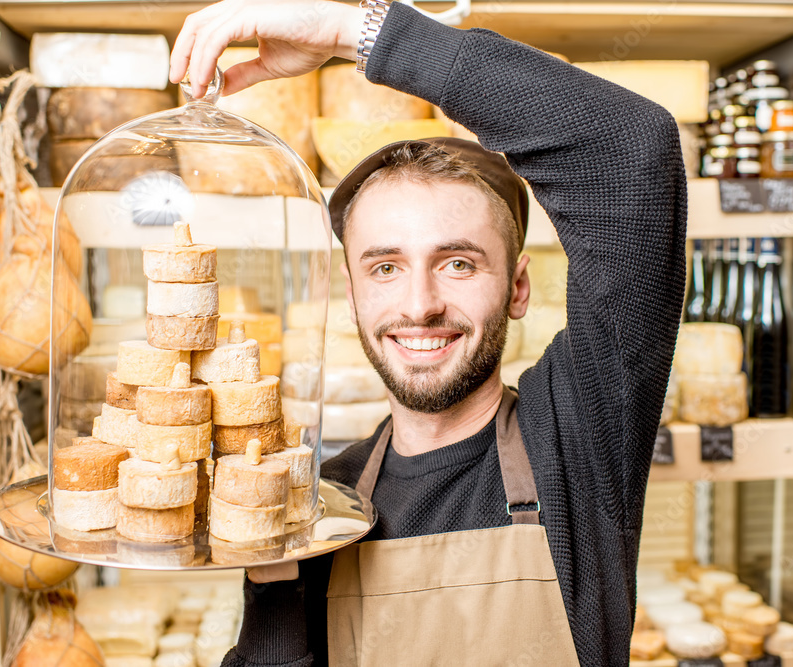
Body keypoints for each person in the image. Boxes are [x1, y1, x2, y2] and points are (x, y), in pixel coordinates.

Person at [170, 0, 687, 663]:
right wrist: (274, 579)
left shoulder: (578, 437)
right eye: (385, 266)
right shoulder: (316, 500)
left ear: (519, 287)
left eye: (458, 262)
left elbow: (629, 146)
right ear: (352, 295)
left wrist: (348, 33)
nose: (420, 304)